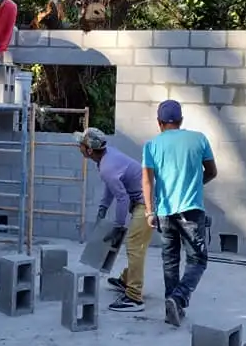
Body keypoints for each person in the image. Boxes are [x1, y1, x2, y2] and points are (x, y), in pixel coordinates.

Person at [141, 100, 217, 327]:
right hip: (191, 211)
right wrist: (195, 184)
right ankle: (178, 298)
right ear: (181, 120)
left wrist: (148, 211)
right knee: (198, 259)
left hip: (164, 212)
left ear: (159, 123)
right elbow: (212, 171)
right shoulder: (199, 139)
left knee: (170, 262)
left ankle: (171, 309)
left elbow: (147, 179)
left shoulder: (151, 145)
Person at [75, 127, 153, 312]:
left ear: (90, 150)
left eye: (81, 144)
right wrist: (103, 207)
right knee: (135, 245)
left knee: (134, 247)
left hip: (149, 203)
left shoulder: (107, 167)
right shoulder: (108, 157)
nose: (78, 146)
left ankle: (134, 296)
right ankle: (126, 280)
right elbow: (113, 186)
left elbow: (122, 198)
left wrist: (119, 227)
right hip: (144, 199)